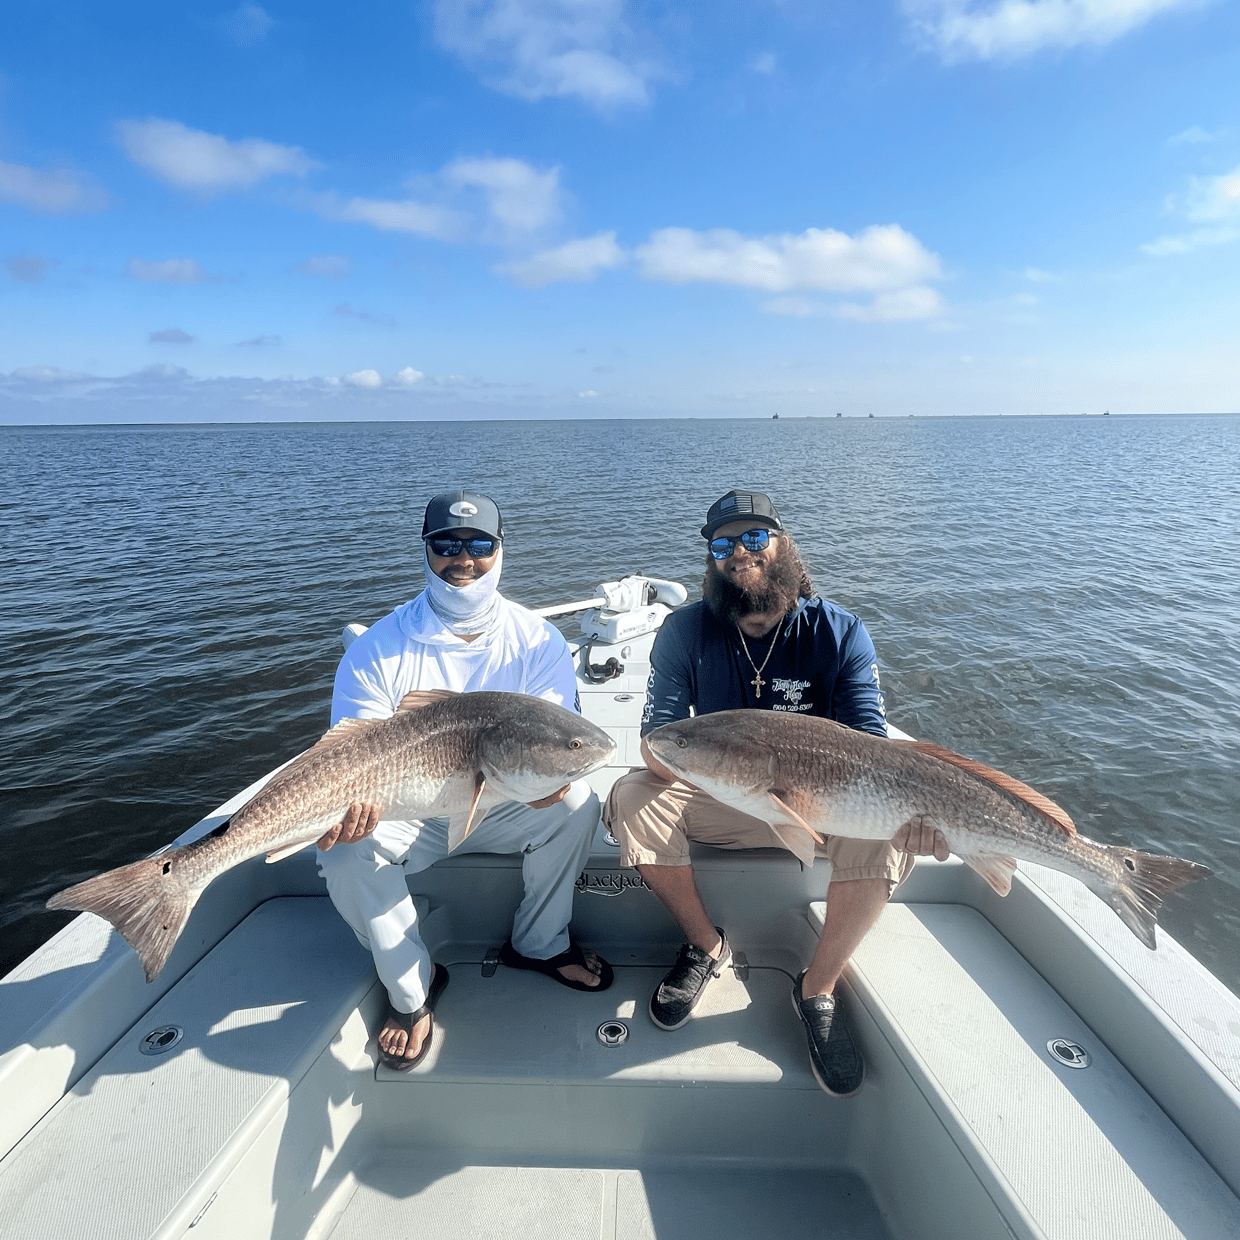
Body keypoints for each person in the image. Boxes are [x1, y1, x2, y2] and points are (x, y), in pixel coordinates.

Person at [604, 489, 946, 1097]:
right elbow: (657, 741)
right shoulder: (685, 630)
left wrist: (912, 811)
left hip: (822, 806)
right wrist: (675, 765)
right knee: (629, 798)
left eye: (755, 538)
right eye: (723, 544)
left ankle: (817, 987)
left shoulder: (839, 631)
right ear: (710, 559)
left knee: (892, 833)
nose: (740, 553)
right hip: (728, 801)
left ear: (782, 544)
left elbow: (872, 742)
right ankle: (707, 947)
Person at [316, 488, 612, 1072]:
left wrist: (551, 777)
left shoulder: (538, 640)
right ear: (426, 550)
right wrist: (348, 810)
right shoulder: (378, 650)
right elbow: (349, 758)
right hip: (406, 807)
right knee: (347, 854)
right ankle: (413, 993)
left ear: (500, 550)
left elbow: (559, 737)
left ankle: (539, 944)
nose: (463, 559)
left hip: (504, 798)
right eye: (446, 545)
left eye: (479, 544)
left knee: (577, 805)